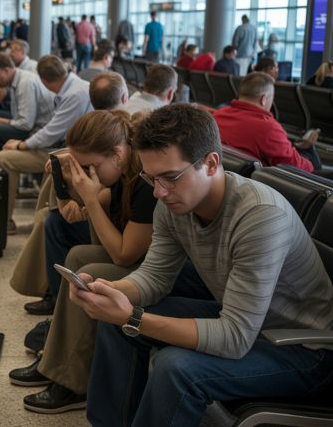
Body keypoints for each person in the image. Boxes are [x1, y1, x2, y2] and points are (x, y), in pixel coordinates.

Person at [72, 104, 333, 427]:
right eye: (151, 178)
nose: (159, 191)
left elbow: (234, 337)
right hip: (248, 320)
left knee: (176, 367)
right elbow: (155, 277)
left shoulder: (261, 217)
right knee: (117, 323)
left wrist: (132, 317)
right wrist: (112, 292)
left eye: (170, 177)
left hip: (304, 349)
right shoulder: (173, 203)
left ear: (210, 163)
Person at [10, 110, 159, 414]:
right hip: (141, 262)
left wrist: (90, 198)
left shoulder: (145, 182)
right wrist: (67, 183)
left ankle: (72, 382)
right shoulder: (120, 172)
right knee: (78, 255)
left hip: (155, 271)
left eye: (91, 166)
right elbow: (77, 213)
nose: (89, 174)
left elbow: (123, 255)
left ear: (118, 153)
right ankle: (56, 363)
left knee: (89, 268)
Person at [0, 55, 92, 231]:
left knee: (3, 159)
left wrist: (22, 145)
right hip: (65, 148)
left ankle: (4, 222)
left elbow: (51, 133)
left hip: (69, 152)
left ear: (44, 81)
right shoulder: (75, 86)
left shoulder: (74, 94)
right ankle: (29, 222)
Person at [213, 72, 319, 172]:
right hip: (261, 180)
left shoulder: (218, 115)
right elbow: (294, 165)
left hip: (232, 174)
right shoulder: (268, 128)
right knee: (311, 156)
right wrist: (311, 165)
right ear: (263, 99)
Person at [0, 53, 53, 166]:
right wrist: (5, 121)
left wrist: (6, 121)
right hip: (32, 124)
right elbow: (20, 116)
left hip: (39, 131)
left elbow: (26, 124)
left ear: (6, 70)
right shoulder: (17, 79)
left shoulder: (25, 83)